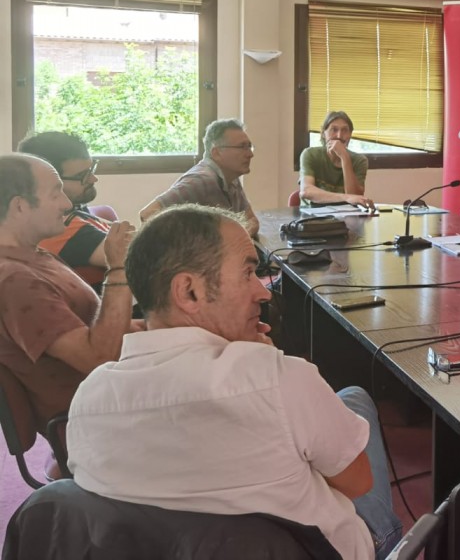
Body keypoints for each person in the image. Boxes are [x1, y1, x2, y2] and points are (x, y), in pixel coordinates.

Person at [66, 205, 402, 560]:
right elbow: (357, 484)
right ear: (189, 291)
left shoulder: (89, 397)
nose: (264, 292)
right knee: (355, 398)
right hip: (324, 550)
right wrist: (266, 367)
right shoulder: (280, 379)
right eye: (248, 273)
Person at [0, 154, 134, 430]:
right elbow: (99, 359)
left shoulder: (35, 255)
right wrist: (118, 267)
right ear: (21, 206)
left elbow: (99, 327)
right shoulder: (15, 280)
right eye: (55, 193)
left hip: (118, 397)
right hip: (97, 422)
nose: (68, 204)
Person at [16, 131, 112, 286]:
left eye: (92, 169)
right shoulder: (58, 228)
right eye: (82, 175)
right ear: (51, 180)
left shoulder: (75, 208)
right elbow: (145, 256)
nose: (94, 179)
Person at [139, 118, 260, 237]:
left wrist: (234, 240)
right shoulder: (201, 181)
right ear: (216, 153)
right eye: (242, 147)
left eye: (249, 146)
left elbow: (251, 220)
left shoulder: (231, 177)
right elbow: (148, 214)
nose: (250, 154)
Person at [300, 111, 373, 208]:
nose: (339, 136)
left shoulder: (360, 160)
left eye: (345, 130)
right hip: (311, 217)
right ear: (323, 133)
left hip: (347, 218)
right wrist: (346, 198)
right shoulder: (310, 154)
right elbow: (306, 191)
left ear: (350, 135)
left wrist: (344, 157)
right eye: (334, 130)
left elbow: (355, 196)